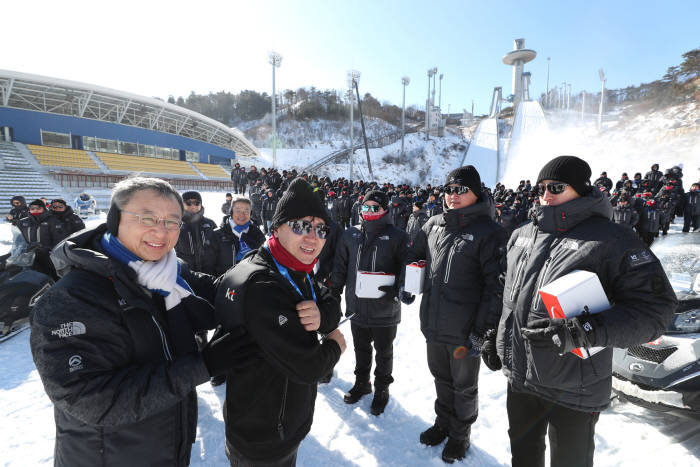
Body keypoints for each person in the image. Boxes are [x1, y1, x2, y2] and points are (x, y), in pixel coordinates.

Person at [29, 176, 254, 467]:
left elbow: (216, 290)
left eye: (172, 221)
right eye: (147, 218)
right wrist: (203, 366)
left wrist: (266, 274)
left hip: (166, 448)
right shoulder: (72, 298)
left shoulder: (169, 270)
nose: (161, 232)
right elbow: (91, 399)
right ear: (115, 219)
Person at [490, 155, 676, 467]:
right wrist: (493, 334)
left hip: (573, 385)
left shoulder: (613, 239)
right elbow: (507, 292)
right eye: (541, 188)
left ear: (580, 189)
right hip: (521, 377)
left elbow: (657, 310)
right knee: (522, 456)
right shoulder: (522, 235)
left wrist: (586, 330)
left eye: (556, 187)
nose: (546, 194)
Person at [215, 178, 346, 466]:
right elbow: (310, 366)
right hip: (263, 437)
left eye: (321, 229)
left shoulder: (290, 265)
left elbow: (329, 299)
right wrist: (336, 343)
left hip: (276, 423)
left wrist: (323, 316)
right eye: (300, 226)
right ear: (276, 228)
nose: (313, 237)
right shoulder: (265, 284)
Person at [408, 166, 507, 463]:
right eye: (449, 189)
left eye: (461, 189)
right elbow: (417, 257)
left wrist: (483, 331)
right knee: (440, 378)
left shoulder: (490, 232)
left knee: (464, 387)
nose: (453, 195)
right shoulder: (434, 224)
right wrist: (409, 281)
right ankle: (443, 423)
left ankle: (460, 435)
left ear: (476, 192)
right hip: (434, 322)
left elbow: (496, 288)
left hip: (466, 329)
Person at [331, 190, 412, 415]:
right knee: (361, 348)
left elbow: (407, 267)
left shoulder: (398, 236)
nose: (368, 212)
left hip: (384, 309)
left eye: (374, 207)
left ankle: (382, 389)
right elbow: (339, 267)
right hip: (356, 307)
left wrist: (400, 289)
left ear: (385, 209)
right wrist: (334, 295)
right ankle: (362, 383)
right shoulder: (350, 234)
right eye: (365, 207)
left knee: (384, 351)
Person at [215, 196, 266, 275]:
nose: (242, 214)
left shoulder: (257, 234)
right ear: (231, 212)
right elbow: (209, 265)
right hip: (225, 282)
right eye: (238, 210)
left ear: (250, 213)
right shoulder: (217, 235)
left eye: (246, 211)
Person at [17, 199, 61, 279]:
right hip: (30, 255)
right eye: (32, 208)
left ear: (44, 208)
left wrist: (48, 249)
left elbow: (58, 239)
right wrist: (20, 249)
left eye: (38, 208)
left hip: (49, 256)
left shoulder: (52, 221)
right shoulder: (22, 222)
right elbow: (19, 239)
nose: (35, 210)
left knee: (53, 276)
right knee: (33, 277)